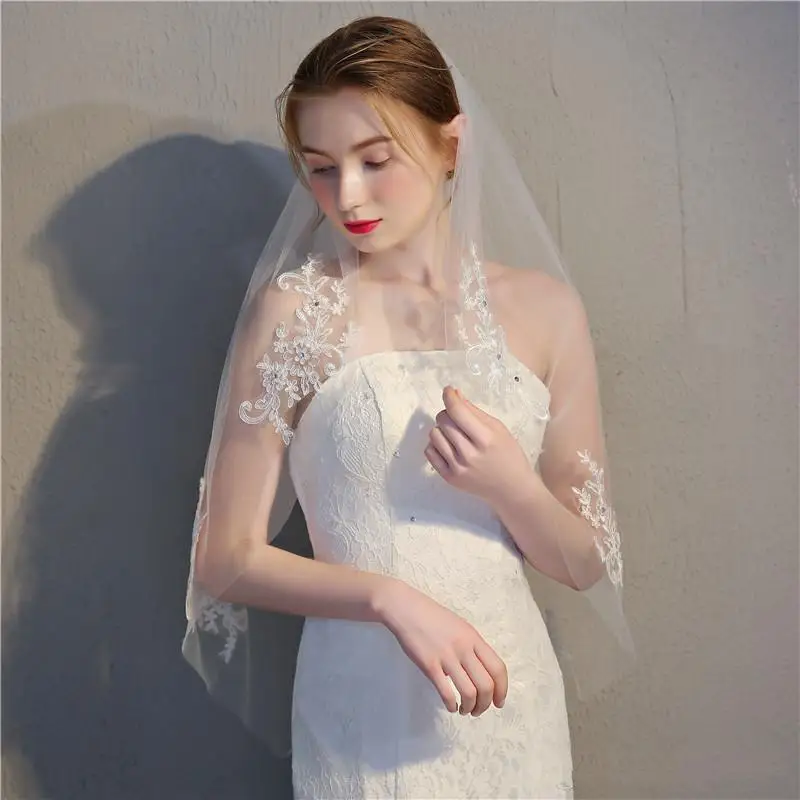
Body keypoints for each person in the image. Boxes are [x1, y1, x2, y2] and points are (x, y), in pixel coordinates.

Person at [182, 15, 633, 799]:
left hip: (510, 704)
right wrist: (390, 599)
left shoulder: (546, 312)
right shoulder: (294, 315)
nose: (347, 196)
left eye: (375, 159)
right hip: (363, 711)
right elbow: (225, 559)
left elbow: (584, 562)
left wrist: (511, 486)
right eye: (322, 169)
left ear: (450, 144)